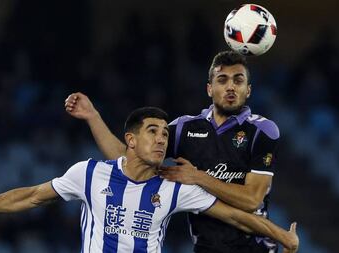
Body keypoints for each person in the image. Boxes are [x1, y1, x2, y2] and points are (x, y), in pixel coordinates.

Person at [0, 107, 298, 252]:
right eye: (153, 132)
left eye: (164, 134)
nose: (161, 139)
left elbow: (235, 215)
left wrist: (282, 235)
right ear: (131, 140)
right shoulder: (88, 174)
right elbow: (30, 196)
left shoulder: (174, 186)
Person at [65, 51, 281, 252]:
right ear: (209, 88)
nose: (231, 87)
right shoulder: (185, 129)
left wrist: (198, 177)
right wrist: (93, 117)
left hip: (256, 247)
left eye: (238, 80)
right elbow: (129, 158)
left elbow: (251, 200)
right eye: (222, 80)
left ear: (249, 90)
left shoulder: (262, 130)